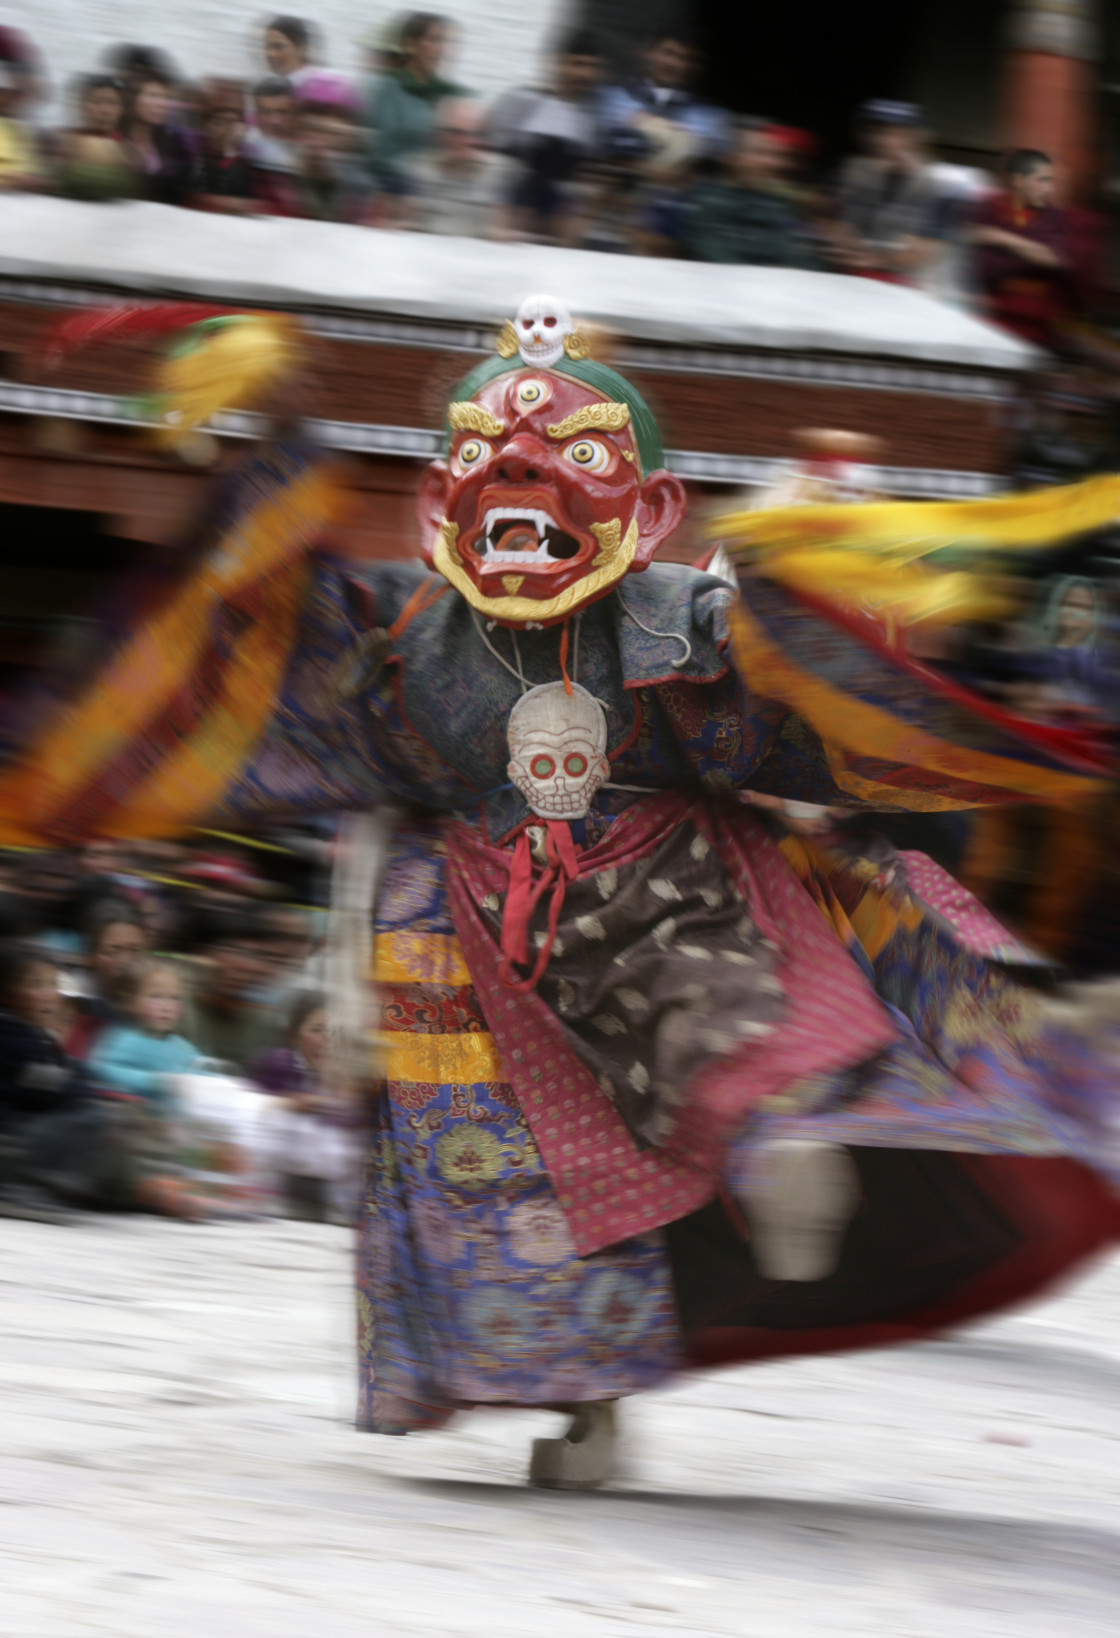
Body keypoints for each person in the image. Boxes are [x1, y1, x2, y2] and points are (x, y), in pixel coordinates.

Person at [7, 295, 1120, 1491]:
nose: (520, 476)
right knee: (509, 1183)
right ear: (439, 501)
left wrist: (821, 621)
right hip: (465, 923)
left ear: (649, 512)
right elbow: (281, 633)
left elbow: (779, 722)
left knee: (734, 1001)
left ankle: (782, 1126)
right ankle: (585, 1396)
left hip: (658, 884)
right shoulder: (399, 627)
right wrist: (276, 426)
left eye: (575, 458)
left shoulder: (681, 617)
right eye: (484, 458)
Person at [0, 946, 128, 1220]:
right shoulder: (9, 1035)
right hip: (9, 1135)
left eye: (52, 984)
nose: (50, 994)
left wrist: (94, 1085)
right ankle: (23, 1188)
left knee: (98, 1114)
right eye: (36, 985)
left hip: (23, 1128)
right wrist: (89, 1094)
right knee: (88, 1116)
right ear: (6, 994)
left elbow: (67, 1068)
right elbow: (46, 1084)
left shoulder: (32, 1035)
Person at [87, 957, 206, 1217]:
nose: (167, 1006)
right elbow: (102, 1068)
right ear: (130, 1002)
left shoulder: (183, 1048)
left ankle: (179, 1190)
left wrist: (212, 1083)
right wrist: (156, 1081)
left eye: (174, 999)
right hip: (136, 1130)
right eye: (157, 996)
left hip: (174, 1134)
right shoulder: (123, 1039)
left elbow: (202, 1073)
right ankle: (152, 1191)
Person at [599, 30, 729, 255]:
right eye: (668, 53)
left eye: (684, 58)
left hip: (671, 216)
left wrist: (644, 129)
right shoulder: (615, 95)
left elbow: (709, 159)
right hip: (613, 203)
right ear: (648, 53)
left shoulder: (708, 113)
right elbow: (609, 142)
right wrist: (679, 145)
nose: (674, 63)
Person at [250, 989, 358, 1220]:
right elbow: (253, 1109)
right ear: (293, 1036)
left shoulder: (345, 1073)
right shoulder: (279, 1064)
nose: (328, 1041)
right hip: (275, 1181)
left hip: (326, 1188)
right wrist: (294, 1103)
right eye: (317, 1030)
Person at [491, 30, 601, 245]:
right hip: (507, 226)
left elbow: (577, 186)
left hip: (553, 234)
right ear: (557, 63)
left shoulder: (587, 122)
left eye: (591, 66)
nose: (584, 74)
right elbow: (497, 165)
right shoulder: (522, 101)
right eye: (577, 64)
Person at [827, 100, 951, 287]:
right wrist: (845, 246)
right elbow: (837, 224)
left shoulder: (939, 183)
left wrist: (877, 261)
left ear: (916, 138)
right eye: (874, 131)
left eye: (895, 133)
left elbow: (928, 249)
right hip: (850, 275)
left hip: (906, 283)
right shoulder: (853, 172)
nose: (881, 141)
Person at [971, 149, 1075, 348]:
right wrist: (1030, 253)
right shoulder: (990, 209)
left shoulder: (1054, 217)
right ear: (1018, 181)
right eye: (1042, 180)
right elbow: (985, 266)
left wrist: (999, 238)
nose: (1049, 189)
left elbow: (1053, 258)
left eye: (1051, 181)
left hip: (1037, 330)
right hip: (991, 325)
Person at [687, 120, 818, 267]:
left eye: (773, 154)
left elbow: (801, 257)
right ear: (732, 157)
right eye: (759, 153)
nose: (772, 163)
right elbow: (714, 255)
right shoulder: (705, 202)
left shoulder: (779, 205)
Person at [364, 11, 463, 197]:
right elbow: (377, 148)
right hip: (388, 185)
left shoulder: (449, 95)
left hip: (432, 187)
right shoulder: (384, 88)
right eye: (433, 40)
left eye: (445, 42)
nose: (441, 49)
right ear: (410, 45)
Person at [257, 75, 379, 224]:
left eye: (330, 132)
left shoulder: (366, 186)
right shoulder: (270, 171)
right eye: (312, 128)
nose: (319, 141)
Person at [180, 913, 274, 1069]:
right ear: (202, 953)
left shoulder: (264, 1022)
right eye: (231, 949)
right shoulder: (175, 1006)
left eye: (253, 955)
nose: (242, 965)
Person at [400, 97, 499, 237]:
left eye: (472, 134)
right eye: (453, 132)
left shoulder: (501, 176)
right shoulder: (414, 170)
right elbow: (401, 221)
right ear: (438, 135)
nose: (462, 141)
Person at [66, 907, 146, 1059]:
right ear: (89, 957)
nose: (126, 961)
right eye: (112, 951)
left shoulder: (151, 996)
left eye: (135, 950)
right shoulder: (73, 997)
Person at [55, 74, 134, 201]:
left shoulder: (127, 149)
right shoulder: (64, 143)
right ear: (81, 106)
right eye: (97, 102)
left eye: (113, 103)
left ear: (121, 110)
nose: (106, 111)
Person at [122, 69, 192, 205]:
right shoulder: (118, 142)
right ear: (132, 99)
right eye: (153, 95)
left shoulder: (168, 147)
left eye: (166, 97)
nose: (162, 104)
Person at [188, 82, 258, 215]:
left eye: (232, 123)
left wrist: (230, 152)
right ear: (205, 125)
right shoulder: (192, 154)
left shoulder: (248, 160)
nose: (225, 131)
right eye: (218, 123)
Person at [244, 76, 296, 179]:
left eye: (283, 112)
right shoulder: (244, 138)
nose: (275, 121)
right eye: (266, 112)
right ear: (256, 113)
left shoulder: (310, 143)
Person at [263, 15, 315, 90]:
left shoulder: (312, 87)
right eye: (268, 46)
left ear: (301, 49)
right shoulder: (280, 84)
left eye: (279, 47)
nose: (270, 54)